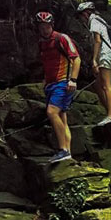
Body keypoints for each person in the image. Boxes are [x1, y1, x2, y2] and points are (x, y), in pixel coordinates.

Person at [36, 11, 81, 162]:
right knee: (62, 117)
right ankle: (68, 152)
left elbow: (76, 59)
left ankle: (62, 150)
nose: (44, 29)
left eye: (47, 26)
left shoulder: (61, 38)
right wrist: (45, 80)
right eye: (41, 26)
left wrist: (73, 80)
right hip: (50, 84)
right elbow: (47, 63)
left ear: (52, 25)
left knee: (51, 112)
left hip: (63, 82)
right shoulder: (42, 43)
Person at [77, 1, 111, 126]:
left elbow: (97, 41)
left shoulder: (94, 21)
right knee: (98, 85)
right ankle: (110, 112)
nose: (81, 19)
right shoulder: (99, 20)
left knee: (106, 85)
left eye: (81, 15)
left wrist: (94, 60)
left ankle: (110, 116)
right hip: (104, 56)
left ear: (86, 13)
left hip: (105, 56)